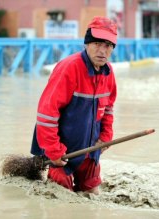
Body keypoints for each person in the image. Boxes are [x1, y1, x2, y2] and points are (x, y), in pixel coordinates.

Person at [30, 16, 117, 194]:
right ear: (86, 43)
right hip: (63, 153)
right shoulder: (68, 68)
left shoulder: (108, 73)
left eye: (108, 45)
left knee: (93, 195)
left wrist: (106, 135)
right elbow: (47, 114)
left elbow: (108, 109)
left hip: (90, 150)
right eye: (97, 43)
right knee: (61, 201)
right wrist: (54, 151)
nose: (102, 50)